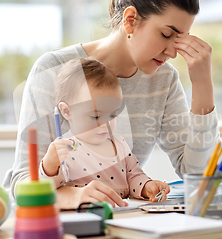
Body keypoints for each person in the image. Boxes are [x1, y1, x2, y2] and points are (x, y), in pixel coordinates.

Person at [3, 0, 220, 209]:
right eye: (166, 35)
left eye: (180, 39)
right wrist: (75, 196)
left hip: (123, 222)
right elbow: (22, 183)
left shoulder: (164, 79)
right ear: (130, 20)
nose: (173, 52)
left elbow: (200, 175)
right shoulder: (53, 69)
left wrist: (203, 86)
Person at [39, 57, 169, 206]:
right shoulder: (65, 148)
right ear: (67, 111)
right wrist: (50, 165)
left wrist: (147, 186)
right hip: (86, 220)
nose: (105, 125)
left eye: (112, 115)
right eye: (96, 116)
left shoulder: (119, 144)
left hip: (123, 216)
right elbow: (48, 190)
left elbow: (133, 177)